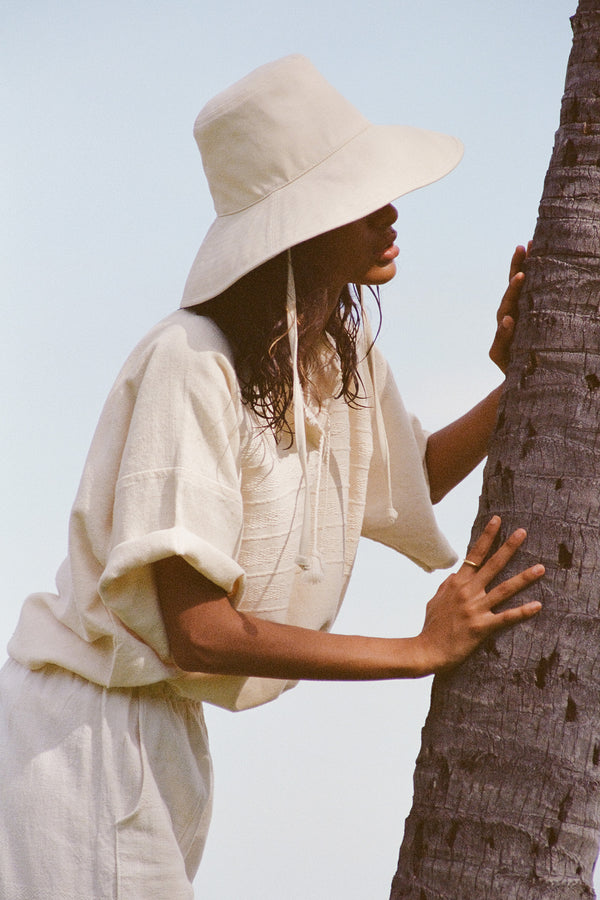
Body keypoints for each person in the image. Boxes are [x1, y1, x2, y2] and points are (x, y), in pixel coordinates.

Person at [0, 54, 544, 899]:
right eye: (355, 196)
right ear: (298, 225)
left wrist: (524, 379)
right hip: (86, 730)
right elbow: (197, 629)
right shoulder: (191, 362)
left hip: (160, 735)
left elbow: (408, 477)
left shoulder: (333, 356)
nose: (390, 211)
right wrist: (416, 651)